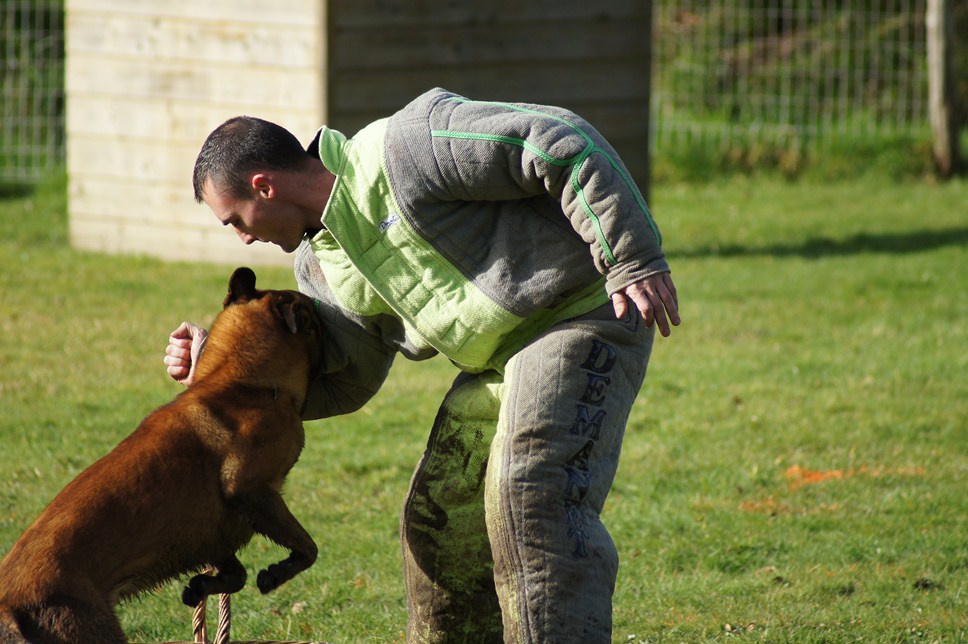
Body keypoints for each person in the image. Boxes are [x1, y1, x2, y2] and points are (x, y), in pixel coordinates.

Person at [164, 87, 679, 643]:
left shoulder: (409, 147)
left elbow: (558, 141)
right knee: (438, 522)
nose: (243, 237)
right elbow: (347, 379)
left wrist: (631, 257)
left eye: (234, 219)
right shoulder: (321, 266)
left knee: (530, 492)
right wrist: (222, 373)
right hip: (499, 362)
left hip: (583, 314)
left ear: (263, 186)